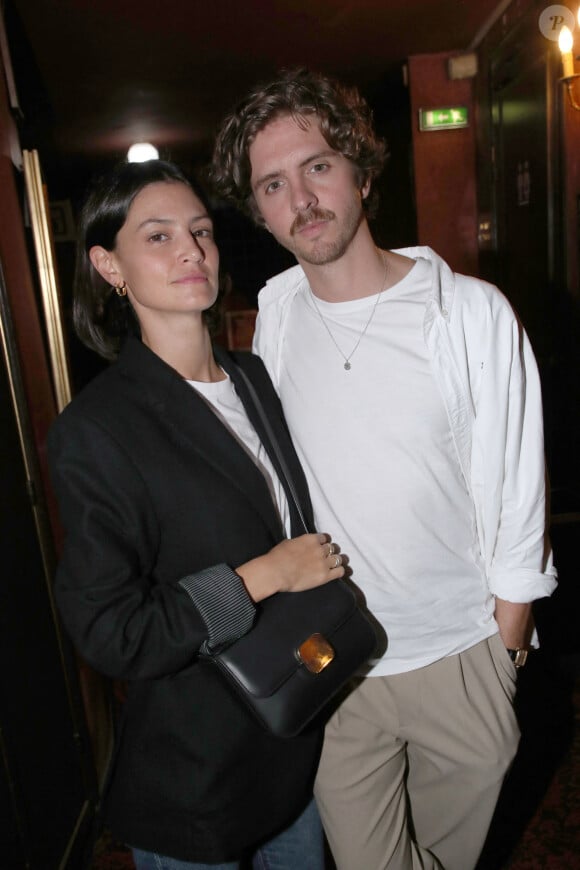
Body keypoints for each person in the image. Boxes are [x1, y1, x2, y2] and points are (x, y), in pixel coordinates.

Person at [210, 69, 558, 870]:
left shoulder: (468, 312)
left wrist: (504, 652)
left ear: (362, 172)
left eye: (318, 167)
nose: (301, 198)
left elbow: (517, 494)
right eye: (273, 184)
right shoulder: (278, 313)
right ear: (259, 210)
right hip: (335, 663)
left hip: (461, 653)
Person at [47, 158, 348, 870]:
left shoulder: (254, 379)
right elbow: (111, 633)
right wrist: (259, 577)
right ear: (108, 266)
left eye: (201, 231)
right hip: (195, 777)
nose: (191, 250)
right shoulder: (96, 430)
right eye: (157, 236)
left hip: (291, 737)